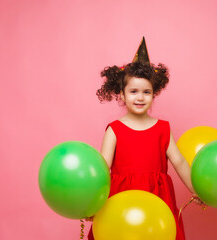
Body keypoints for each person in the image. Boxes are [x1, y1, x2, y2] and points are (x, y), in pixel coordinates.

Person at [87, 37, 205, 240]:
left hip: (157, 198)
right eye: (133, 91)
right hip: (120, 200)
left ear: (154, 95)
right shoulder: (114, 130)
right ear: (122, 95)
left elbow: (179, 162)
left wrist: (197, 190)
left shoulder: (163, 129)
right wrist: (90, 202)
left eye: (146, 92)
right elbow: (101, 169)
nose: (140, 97)